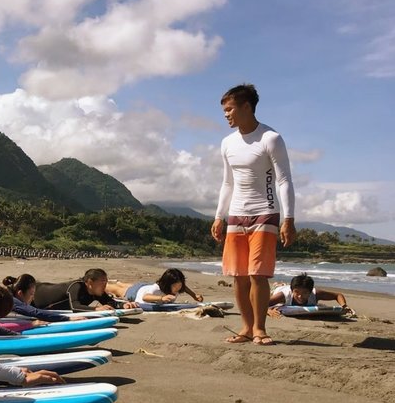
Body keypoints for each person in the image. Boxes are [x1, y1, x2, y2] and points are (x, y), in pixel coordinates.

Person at [210, 84, 295, 346]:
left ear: (247, 107)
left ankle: (260, 328)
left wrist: (288, 219)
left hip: (265, 212)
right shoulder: (227, 143)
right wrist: (218, 216)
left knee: (258, 274)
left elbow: (284, 180)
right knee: (239, 275)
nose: (226, 115)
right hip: (236, 214)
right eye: (224, 110)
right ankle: (246, 328)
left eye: (230, 109)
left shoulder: (270, 138)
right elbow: (227, 183)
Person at [33, 269, 140, 312]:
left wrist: (124, 305)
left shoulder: (95, 292)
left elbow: (110, 303)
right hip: (35, 296)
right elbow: (75, 307)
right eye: (102, 282)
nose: (105, 285)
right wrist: (97, 309)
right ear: (89, 282)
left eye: (106, 282)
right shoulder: (76, 286)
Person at [267, 273, 349, 318]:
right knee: (276, 288)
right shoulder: (283, 295)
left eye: (305, 293)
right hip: (278, 290)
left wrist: (344, 306)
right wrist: (268, 311)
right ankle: (279, 285)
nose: (300, 296)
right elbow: (262, 304)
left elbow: (338, 295)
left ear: (310, 292)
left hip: (290, 287)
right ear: (292, 291)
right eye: (297, 292)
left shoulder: (315, 293)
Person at [124, 269, 205, 304]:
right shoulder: (157, 289)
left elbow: (185, 288)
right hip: (136, 292)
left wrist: (194, 296)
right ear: (167, 284)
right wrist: (161, 298)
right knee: (118, 289)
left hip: (147, 286)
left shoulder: (179, 286)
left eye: (179, 285)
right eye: (175, 286)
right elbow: (145, 297)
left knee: (126, 285)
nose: (178, 289)